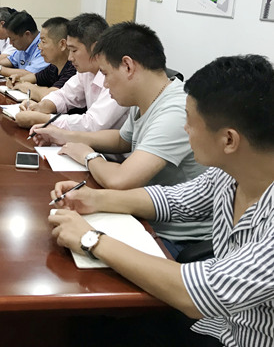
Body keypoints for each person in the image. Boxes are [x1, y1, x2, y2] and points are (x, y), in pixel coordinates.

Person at [48, 54, 274, 346]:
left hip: (242, 337)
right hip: (219, 322)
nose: (185, 129)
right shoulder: (231, 172)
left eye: (190, 122)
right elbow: (174, 200)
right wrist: (93, 199)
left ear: (229, 140)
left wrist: (91, 239)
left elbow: (196, 293)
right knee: (89, 323)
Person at [33, 22, 211, 250]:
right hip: (142, 215)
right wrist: (64, 135)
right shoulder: (147, 96)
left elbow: (120, 180)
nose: (105, 84)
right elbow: (122, 139)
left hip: (173, 236)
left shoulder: (175, 110)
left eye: (106, 74)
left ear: (128, 66)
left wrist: (88, 156)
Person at [15, 13, 127, 131]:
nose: (70, 58)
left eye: (74, 50)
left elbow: (93, 124)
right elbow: (64, 96)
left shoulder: (116, 76)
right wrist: (40, 106)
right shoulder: (85, 71)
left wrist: (44, 119)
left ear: (95, 48)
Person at [6, 16, 76, 101]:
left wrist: (27, 87)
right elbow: (34, 77)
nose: (39, 47)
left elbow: (52, 97)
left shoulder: (74, 69)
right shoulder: (53, 67)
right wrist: (16, 79)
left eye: (43, 42)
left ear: (62, 44)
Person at [0, 10, 49, 79]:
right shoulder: (24, 45)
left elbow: (31, 74)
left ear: (27, 34)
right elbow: (11, 60)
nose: (10, 43)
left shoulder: (44, 47)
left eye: (13, 39)